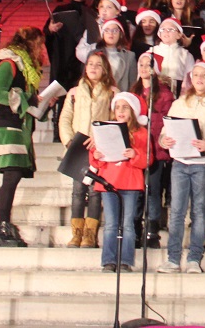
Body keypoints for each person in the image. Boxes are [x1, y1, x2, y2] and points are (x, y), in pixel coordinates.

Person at [157, 59, 205, 274]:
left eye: (204, 75)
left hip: (202, 164)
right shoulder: (180, 103)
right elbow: (166, 130)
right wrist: (164, 141)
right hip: (180, 162)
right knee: (177, 211)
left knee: (199, 210)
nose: (199, 79)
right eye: (195, 75)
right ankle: (173, 258)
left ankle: (194, 258)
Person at [0, 26, 46, 248]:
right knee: (11, 177)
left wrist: (40, 102)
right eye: (39, 45)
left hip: (19, 126)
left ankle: (2, 223)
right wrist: (28, 97)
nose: (41, 50)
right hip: (7, 127)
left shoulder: (24, 67)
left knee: (12, 177)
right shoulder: (9, 63)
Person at [59, 51, 116, 248]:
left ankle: (90, 234)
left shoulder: (112, 92)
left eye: (98, 65)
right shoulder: (74, 92)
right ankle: (76, 233)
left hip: (98, 149)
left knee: (94, 192)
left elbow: (114, 119)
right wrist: (69, 141)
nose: (93, 67)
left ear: (105, 69)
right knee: (77, 191)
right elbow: (65, 118)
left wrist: (100, 138)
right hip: (78, 147)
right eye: (90, 64)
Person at [94, 91, 150, 272]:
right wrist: (96, 155)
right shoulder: (106, 130)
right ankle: (108, 260)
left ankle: (125, 260)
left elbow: (148, 159)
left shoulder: (141, 133)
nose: (121, 111)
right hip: (109, 182)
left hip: (130, 183)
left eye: (125, 107)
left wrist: (135, 154)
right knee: (110, 224)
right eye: (117, 107)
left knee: (127, 224)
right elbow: (96, 158)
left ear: (133, 111)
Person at [131, 51, 174, 249]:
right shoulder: (133, 92)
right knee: (137, 191)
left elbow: (167, 122)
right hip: (136, 150)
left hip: (155, 150)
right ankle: (134, 229)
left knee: (153, 190)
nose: (143, 68)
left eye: (148, 64)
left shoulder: (164, 94)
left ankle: (152, 231)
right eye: (140, 64)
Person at [44, 0, 95, 141]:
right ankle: (58, 134)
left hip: (82, 62)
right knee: (61, 96)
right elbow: (47, 33)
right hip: (64, 58)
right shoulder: (60, 9)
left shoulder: (91, 12)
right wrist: (51, 29)